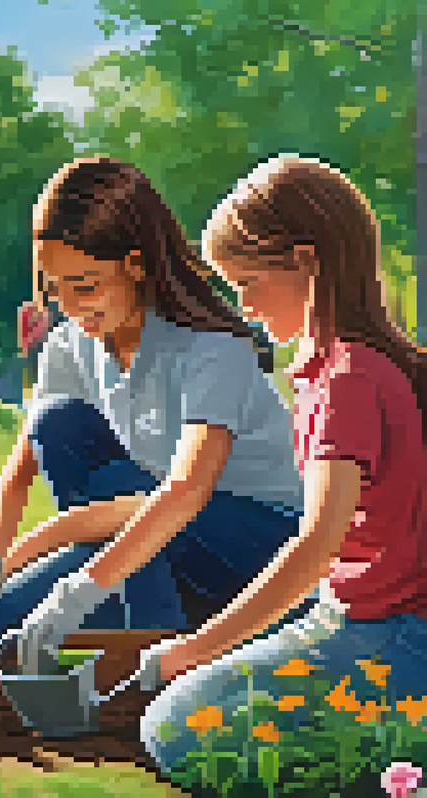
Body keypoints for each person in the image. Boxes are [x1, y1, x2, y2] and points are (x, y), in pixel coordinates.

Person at [0, 157, 306, 674]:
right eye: (55, 289)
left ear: (135, 265)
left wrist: (48, 568)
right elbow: (19, 474)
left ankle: (155, 645)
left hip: (253, 538)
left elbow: (184, 495)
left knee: (120, 517)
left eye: (85, 285)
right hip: (144, 529)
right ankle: (135, 611)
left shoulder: (213, 349)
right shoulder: (69, 346)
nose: (70, 306)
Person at [137, 156, 427, 773]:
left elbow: (316, 545)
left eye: (246, 284)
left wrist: (192, 650)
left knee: (176, 726)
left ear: (303, 260)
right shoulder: (348, 367)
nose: (243, 307)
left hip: (395, 637)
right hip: (360, 616)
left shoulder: (347, 378)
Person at [15, 298, 52, 403]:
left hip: (44, 345)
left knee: (42, 373)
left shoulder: (46, 310)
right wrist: (22, 347)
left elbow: (49, 329)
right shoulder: (26, 308)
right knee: (31, 375)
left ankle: (40, 399)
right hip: (31, 345)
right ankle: (28, 400)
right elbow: (21, 328)